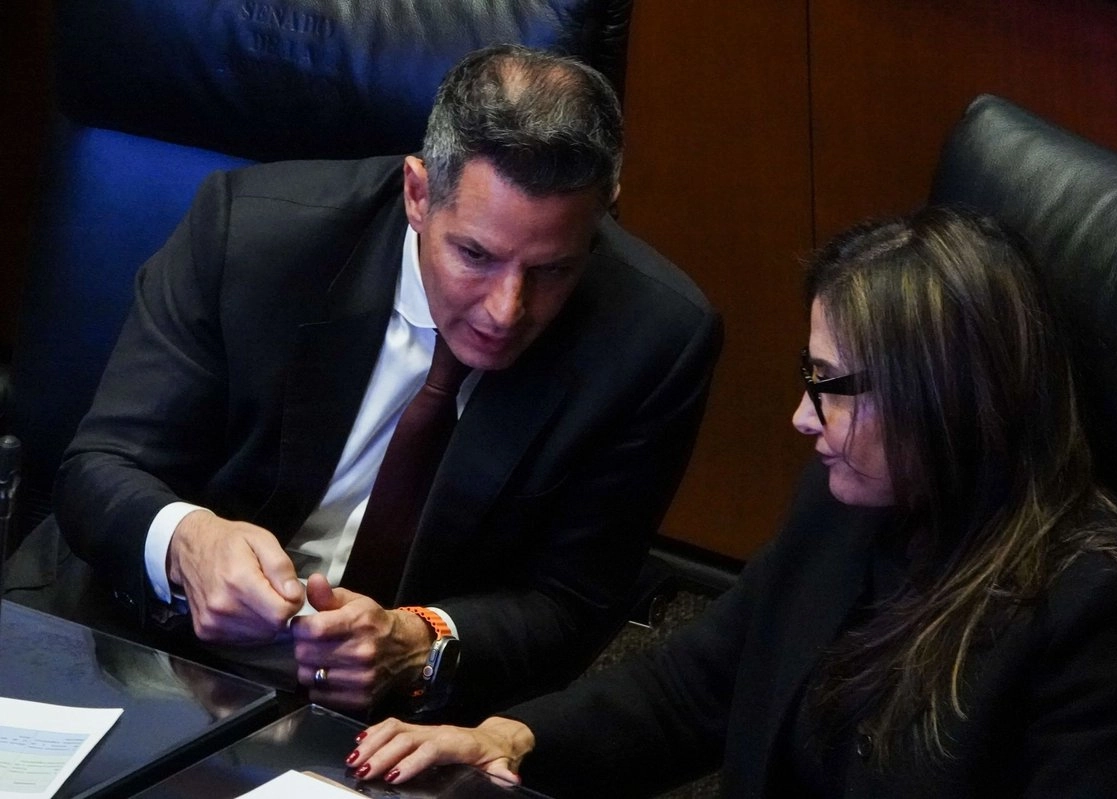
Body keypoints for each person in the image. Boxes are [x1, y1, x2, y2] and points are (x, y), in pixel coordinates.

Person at [344, 208, 1117, 796]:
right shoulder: (848, 502)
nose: (800, 418)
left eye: (828, 387)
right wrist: (511, 739)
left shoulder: (1102, 614)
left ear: (940, 396)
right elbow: (697, 684)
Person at [49, 44, 721, 720]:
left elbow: (571, 602)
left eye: (551, 270)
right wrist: (189, 541)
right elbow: (99, 468)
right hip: (166, 648)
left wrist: (421, 640)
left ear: (603, 216)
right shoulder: (250, 235)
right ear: (418, 193)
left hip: (409, 710)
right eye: (475, 255)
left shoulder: (653, 340)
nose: (505, 309)